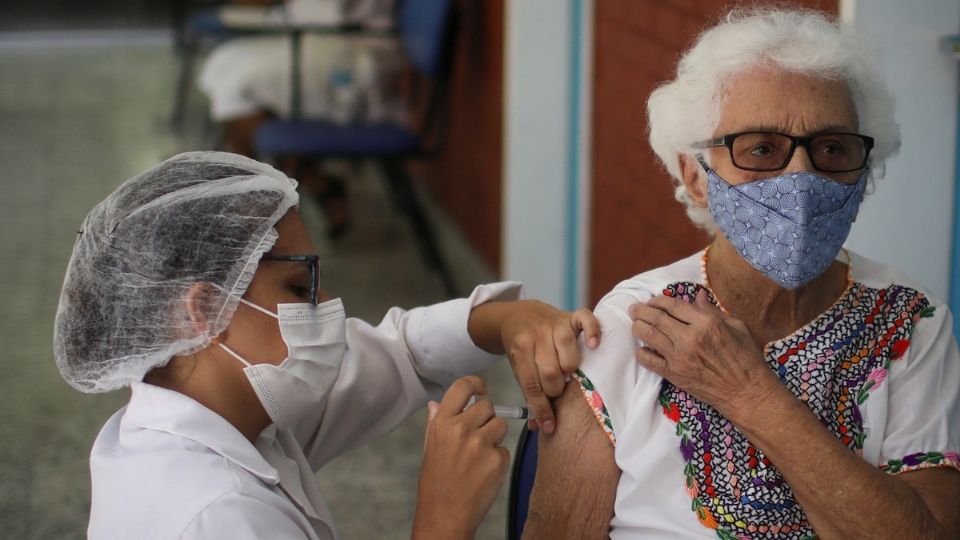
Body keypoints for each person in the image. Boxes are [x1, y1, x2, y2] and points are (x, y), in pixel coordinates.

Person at [523, 8, 960, 539]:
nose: (801, 177)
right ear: (696, 176)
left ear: (863, 168)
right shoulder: (627, 326)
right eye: (760, 149)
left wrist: (752, 394)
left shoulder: (911, 323)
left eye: (832, 148)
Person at [53, 151, 601, 539]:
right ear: (202, 310)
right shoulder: (217, 516)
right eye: (298, 287)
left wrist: (500, 320)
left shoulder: (236, 414)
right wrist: (442, 518)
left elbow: (400, 356)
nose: (328, 304)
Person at [198, 0, 402, 239]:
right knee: (224, 64)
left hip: (352, 49)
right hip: (318, 35)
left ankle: (251, 207)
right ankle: (309, 184)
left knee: (237, 84)